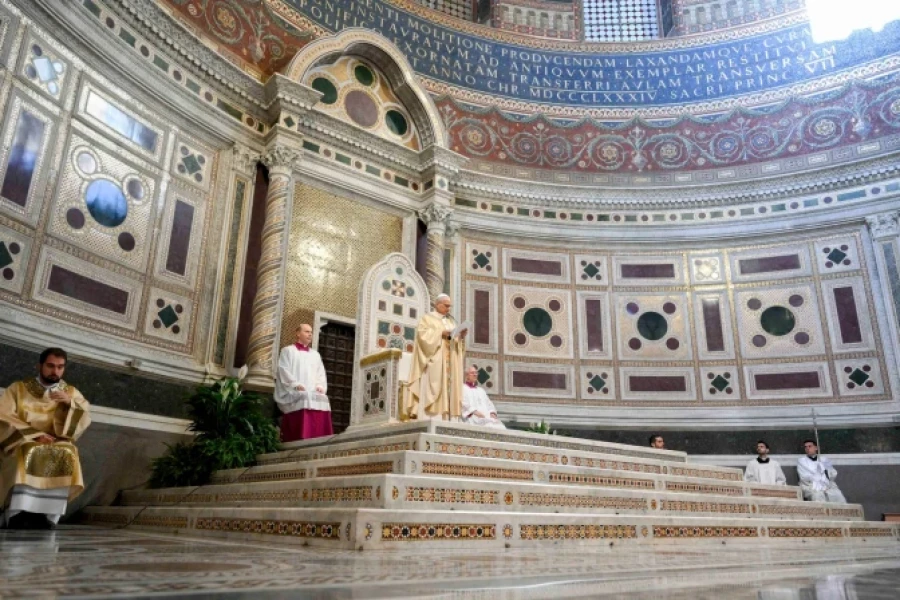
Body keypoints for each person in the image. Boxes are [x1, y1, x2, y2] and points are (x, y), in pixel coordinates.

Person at [1, 348, 91, 529]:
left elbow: (84, 417)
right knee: (30, 449)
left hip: (56, 441)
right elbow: (4, 416)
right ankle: (17, 512)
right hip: (22, 439)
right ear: (39, 366)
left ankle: (48, 515)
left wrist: (70, 404)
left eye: (60, 367)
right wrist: (36, 435)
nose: (55, 371)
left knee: (68, 451)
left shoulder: (70, 392)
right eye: (50, 366)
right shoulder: (18, 389)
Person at [400, 294, 466, 421]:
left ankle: (446, 418)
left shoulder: (451, 321)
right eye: (446, 306)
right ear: (437, 304)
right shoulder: (427, 318)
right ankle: (431, 417)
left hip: (449, 361)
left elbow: (455, 342)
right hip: (434, 360)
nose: (448, 309)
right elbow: (422, 336)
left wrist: (460, 337)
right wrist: (440, 333)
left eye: (449, 306)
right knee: (433, 386)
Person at [275, 324, 331, 442]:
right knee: (304, 397)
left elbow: (320, 373)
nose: (310, 334)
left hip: (311, 390)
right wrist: (295, 384)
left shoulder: (315, 354)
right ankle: (301, 436)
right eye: (306, 331)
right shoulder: (288, 351)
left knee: (323, 398)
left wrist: (320, 386)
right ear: (298, 333)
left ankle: (320, 437)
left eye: (311, 332)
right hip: (294, 390)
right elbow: (283, 369)